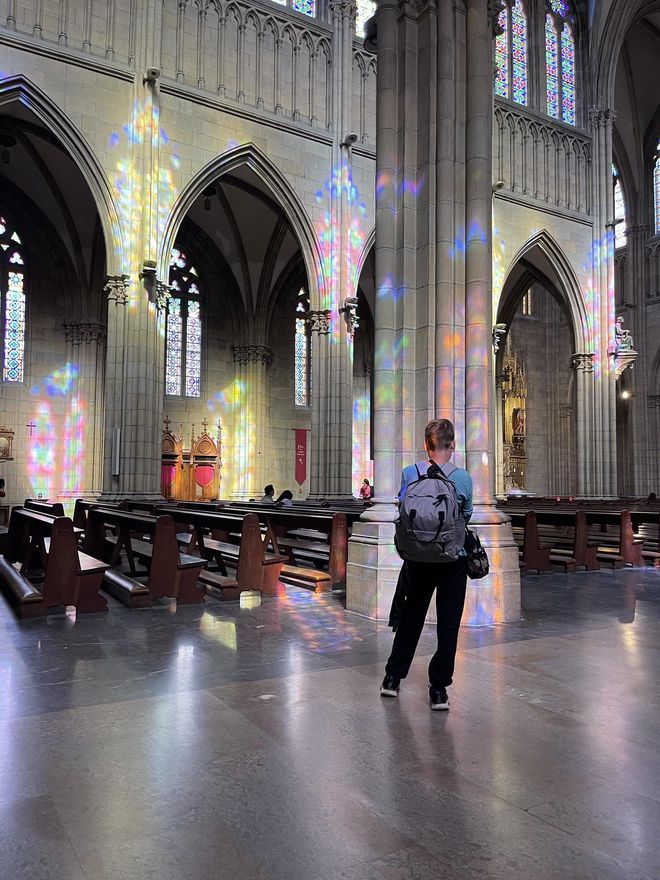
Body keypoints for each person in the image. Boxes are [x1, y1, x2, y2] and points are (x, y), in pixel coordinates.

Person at [381, 418, 473, 711]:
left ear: (425, 445)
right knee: (448, 624)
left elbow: (403, 509)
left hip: (418, 559)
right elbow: (466, 514)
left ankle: (393, 679)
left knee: (411, 618)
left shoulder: (410, 472)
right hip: (452, 560)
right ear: (453, 445)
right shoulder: (463, 477)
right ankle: (438, 690)